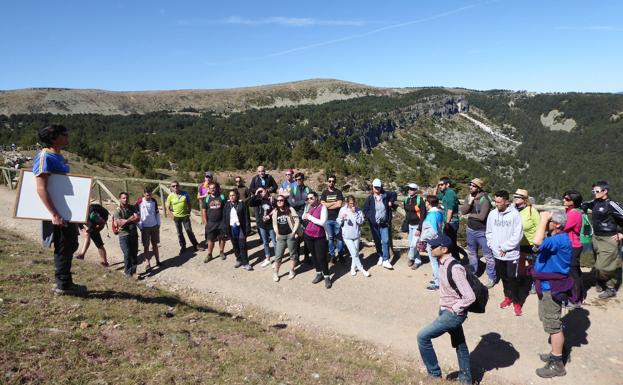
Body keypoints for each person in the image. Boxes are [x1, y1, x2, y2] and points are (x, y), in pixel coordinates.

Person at [417, 234, 475, 385]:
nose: (431, 248)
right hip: (446, 310)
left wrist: (454, 308)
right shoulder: (441, 263)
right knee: (460, 344)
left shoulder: (454, 267)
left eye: (434, 246)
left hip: (452, 313)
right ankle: (466, 379)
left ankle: (434, 374)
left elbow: (470, 296)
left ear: (444, 249)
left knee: (423, 337)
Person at [33, 124, 84, 295]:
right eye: (64, 134)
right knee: (63, 246)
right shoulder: (44, 156)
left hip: (67, 209)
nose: (68, 136)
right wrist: (54, 214)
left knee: (71, 243)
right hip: (57, 211)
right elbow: (41, 188)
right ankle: (63, 285)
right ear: (54, 138)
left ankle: (66, 282)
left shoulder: (58, 155)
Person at [531, 209, 573, 378]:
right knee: (548, 321)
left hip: (552, 288)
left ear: (556, 225)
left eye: (548, 221)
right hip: (546, 286)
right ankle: (556, 353)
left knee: (553, 326)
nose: (545, 223)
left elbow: (537, 241)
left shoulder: (559, 239)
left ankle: (557, 364)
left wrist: (543, 218)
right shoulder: (555, 238)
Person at [581, 181, 623, 299]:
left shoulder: (612, 204)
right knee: (599, 261)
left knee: (605, 266)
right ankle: (601, 281)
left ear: (605, 191)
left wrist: (622, 234)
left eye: (597, 191)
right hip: (596, 237)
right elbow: (586, 203)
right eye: (593, 191)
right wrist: (584, 207)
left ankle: (611, 288)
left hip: (609, 238)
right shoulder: (595, 202)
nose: (594, 193)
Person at [486, 190, 524, 316]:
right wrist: (494, 248)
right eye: (495, 201)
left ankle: (517, 302)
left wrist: (504, 247)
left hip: (511, 254)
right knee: (503, 277)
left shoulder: (515, 215)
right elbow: (489, 233)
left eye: (499, 202)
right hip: (497, 253)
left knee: (512, 278)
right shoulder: (492, 214)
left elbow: (518, 235)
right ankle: (508, 297)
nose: (496, 204)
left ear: (507, 201)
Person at [459, 178, 494, 284]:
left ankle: (491, 277)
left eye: (473, 186)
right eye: (470, 185)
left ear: (479, 188)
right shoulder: (469, 197)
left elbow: (482, 216)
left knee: (488, 255)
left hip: (482, 231)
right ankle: (473, 272)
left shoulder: (485, 199)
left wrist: (471, 215)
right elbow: (463, 211)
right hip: (470, 229)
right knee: (472, 252)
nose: (471, 187)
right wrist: (469, 202)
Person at [362, 178, 394, 270]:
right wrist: (370, 217)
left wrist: (390, 201)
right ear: (372, 187)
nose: (377, 189)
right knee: (377, 241)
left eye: (378, 187)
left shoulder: (385, 195)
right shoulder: (370, 198)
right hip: (374, 224)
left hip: (384, 223)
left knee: (385, 240)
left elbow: (394, 194)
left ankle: (386, 260)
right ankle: (380, 255)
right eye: (375, 187)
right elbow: (365, 209)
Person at [303, 192, 332, 288]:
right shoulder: (308, 207)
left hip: (319, 236)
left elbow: (323, 222)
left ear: (316, 198)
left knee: (321, 257)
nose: (309, 200)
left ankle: (327, 276)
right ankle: (319, 273)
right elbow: (304, 216)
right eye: (308, 198)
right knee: (314, 256)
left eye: (311, 198)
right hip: (308, 235)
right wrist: (305, 216)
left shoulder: (322, 207)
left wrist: (310, 217)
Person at [562, 190, 585, 304]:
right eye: (564, 198)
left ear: (574, 201)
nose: (564, 200)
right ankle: (579, 295)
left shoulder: (573, 213)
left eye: (567, 199)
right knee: (575, 271)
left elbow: (563, 227)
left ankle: (576, 299)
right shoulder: (570, 211)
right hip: (573, 245)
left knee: (572, 272)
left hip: (573, 246)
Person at [337, 196, 369, 277]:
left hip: (356, 235)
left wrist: (355, 213)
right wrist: (341, 218)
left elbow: (361, 222)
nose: (352, 205)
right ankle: (362, 269)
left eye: (353, 203)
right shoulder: (342, 210)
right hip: (347, 236)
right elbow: (338, 222)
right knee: (354, 253)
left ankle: (352, 268)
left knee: (356, 253)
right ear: (347, 203)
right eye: (350, 203)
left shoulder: (358, 210)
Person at [166, 181, 200, 254]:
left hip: (185, 216)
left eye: (177, 185)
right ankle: (183, 246)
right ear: (171, 187)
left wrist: (189, 212)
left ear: (179, 186)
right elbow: (167, 207)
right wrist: (172, 216)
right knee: (179, 233)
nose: (175, 187)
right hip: (176, 217)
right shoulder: (170, 196)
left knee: (189, 231)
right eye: (173, 186)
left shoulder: (185, 194)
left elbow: (189, 203)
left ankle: (195, 245)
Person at [222, 189, 253, 271]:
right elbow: (225, 218)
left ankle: (245, 263)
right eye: (230, 195)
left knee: (242, 246)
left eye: (233, 195)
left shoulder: (242, 204)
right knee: (235, 245)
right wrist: (225, 229)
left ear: (237, 196)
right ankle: (238, 259)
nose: (232, 197)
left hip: (240, 228)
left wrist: (248, 228)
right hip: (231, 228)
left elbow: (246, 217)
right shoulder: (227, 205)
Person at [112, 192, 140, 278]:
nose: (125, 199)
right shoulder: (117, 211)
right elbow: (120, 224)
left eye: (127, 198)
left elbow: (138, 218)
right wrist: (131, 218)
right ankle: (127, 273)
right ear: (120, 199)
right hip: (123, 235)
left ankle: (133, 272)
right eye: (123, 198)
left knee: (134, 254)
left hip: (133, 233)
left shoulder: (132, 207)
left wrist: (126, 221)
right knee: (127, 253)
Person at [272, 195, 300, 281]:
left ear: (285, 201)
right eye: (278, 200)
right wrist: (277, 233)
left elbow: (297, 220)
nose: (279, 202)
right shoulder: (276, 211)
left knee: (293, 254)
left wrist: (293, 232)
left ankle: (292, 270)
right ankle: (276, 273)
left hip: (290, 235)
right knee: (278, 256)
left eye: (281, 200)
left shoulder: (290, 209)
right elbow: (275, 224)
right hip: (281, 236)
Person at [514, 189, 540, 281]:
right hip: (518, 242)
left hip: (531, 243)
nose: (515, 198)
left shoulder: (531, 211)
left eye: (518, 197)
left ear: (524, 199)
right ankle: (521, 278)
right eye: (515, 196)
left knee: (531, 262)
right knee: (520, 261)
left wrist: (537, 243)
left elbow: (539, 227)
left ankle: (534, 281)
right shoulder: (513, 210)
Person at [420, 195, 445, 290]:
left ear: (429, 203)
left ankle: (437, 283)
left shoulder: (431, 215)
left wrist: (425, 239)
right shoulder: (439, 213)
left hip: (433, 241)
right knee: (438, 261)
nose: (425, 203)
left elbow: (433, 231)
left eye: (426, 201)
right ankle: (438, 279)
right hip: (440, 239)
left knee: (434, 262)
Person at [249, 187, 277, 267]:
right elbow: (250, 203)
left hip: (271, 224)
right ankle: (267, 258)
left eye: (262, 191)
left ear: (266, 191)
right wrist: (255, 194)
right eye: (260, 192)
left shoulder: (272, 200)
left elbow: (278, 208)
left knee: (275, 242)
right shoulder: (259, 200)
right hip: (262, 224)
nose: (261, 193)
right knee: (265, 242)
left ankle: (277, 259)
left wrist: (270, 215)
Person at [76, 202, 110, 267]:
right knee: (92, 237)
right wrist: (83, 229)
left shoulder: (91, 214)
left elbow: (93, 225)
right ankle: (104, 262)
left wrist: (88, 231)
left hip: (98, 222)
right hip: (92, 222)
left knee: (97, 241)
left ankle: (82, 255)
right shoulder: (79, 214)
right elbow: (80, 225)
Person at [321, 175, 345, 263]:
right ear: (327, 181)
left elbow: (339, 204)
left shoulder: (338, 192)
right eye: (330, 181)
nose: (331, 183)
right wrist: (334, 202)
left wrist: (328, 205)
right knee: (330, 238)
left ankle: (340, 254)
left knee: (339, 238)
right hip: (327, 219)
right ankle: (332, 255)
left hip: (337, 219)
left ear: (335, 182)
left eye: (333, 181)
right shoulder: (324, 193)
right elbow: (322, 205)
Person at [436, 177, 461, 260]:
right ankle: (454, 260)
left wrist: (447, 223)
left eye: (442, 184)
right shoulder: (444, 193)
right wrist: (437, 186)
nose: (440, 186)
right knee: (450, 242)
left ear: (448, 184)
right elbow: (434, 196)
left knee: (450, 243)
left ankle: (455, 261)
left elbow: (450, 210)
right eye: (439, 185)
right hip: (449, 221)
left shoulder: (450, 193)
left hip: (451, 222)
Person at [290, 172, 312, 263]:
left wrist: (298, 202)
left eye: (299, 179)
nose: (297, 181)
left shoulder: (308, 189)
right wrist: (304, 201)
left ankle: (306, 256)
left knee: (307, 237)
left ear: (303, 179)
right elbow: (292, 204)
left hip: (306, 215)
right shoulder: (293, 189)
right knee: (297, 237)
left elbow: (311, 201)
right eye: (296, 180)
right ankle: (297, 256)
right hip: (296, 216)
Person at [137, 187, 161, 270]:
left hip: (154, 226)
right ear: (144, 194)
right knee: (146, 246)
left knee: (155, 245)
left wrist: (158, 223)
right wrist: (140, 226)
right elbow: (136, 215)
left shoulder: (154, 201)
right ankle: (148, 263)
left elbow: (157, 212)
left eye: (150, 194)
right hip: (145, 227)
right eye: (147, 195)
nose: (148, 196)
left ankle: (158, 261)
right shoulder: (139, 202)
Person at [403, 183, 427, 269]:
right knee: (411, 244)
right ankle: (417, 261)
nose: (410, 190)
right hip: (410, 225)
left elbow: (423, 215)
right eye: (409, 188)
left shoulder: (420, 200)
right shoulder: (406, 199)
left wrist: (419, 228)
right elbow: (406, 211)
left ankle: (411, 257)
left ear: (416, 190)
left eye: (412, 189)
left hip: (417, 226)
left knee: (413, 245)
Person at [202, 182, 227, 262]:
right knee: (210, 239)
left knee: (222, 238)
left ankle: (221, 252)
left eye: (214, 187)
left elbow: (226, 209)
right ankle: (209, 254)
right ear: (209, 189)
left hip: (221, 222)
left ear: (217, 188)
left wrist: (226, 221)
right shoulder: (207, 198)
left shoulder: (222, 197)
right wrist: (206, 222)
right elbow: (204, 211)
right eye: (211, 188)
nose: (213, 189)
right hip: (211, 222)